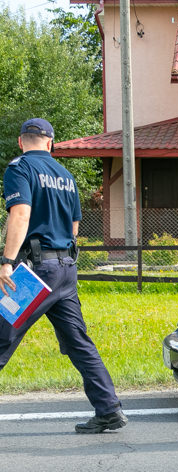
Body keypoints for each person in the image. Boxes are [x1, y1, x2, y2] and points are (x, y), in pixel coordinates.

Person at [0, 119, 126, 434]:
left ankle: (109, 410)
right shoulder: (66, 176)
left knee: (2, 334)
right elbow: (73, 228)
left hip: (35, 273)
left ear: (20, 142)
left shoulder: (20, 168)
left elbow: (20, 214)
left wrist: (6, 261)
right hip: (66, 272)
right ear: (51, 143)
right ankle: (109, 409)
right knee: (78, 342)